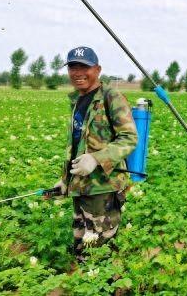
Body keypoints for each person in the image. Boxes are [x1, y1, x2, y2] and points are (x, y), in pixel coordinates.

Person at [53, 46, 137, 261]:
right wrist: (65, 179)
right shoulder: (76, 99)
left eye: (84, 67)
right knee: (82, 243)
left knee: (100, 249)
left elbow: (129, 138)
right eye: (73, 67)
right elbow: (76, 144)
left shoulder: (112, 97)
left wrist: (96, 158)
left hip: (103, 189)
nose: (78, 72)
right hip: (80, 187)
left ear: (97, 69)